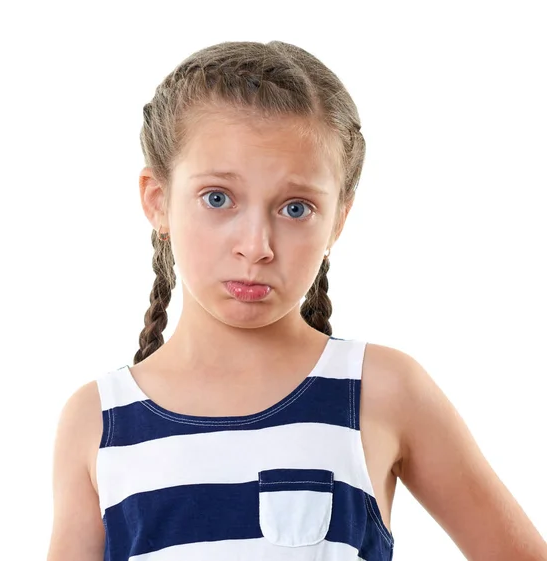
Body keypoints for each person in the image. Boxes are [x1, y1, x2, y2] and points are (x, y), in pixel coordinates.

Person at [47, 40, 547, 561]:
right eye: (217, 198)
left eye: (295, 208)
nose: (256, 247)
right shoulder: (98, 420)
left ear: (338, 220)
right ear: (158, 200)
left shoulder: (383, 392)